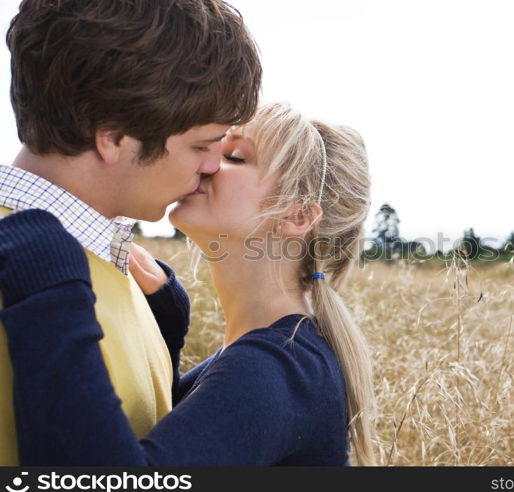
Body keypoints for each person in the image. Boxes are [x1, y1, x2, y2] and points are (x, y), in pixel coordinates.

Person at [0, 102, 377, 466]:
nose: (208, 163)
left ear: (296, 216)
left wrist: (48, 284)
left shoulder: (279, 369)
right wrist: (167, 330)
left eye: (235, 157)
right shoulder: (276, 354)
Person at [0, 0, 261, 465]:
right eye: (201, 145)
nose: (212, 166)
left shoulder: (125, 270)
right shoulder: (28, 276)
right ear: (113, 137)